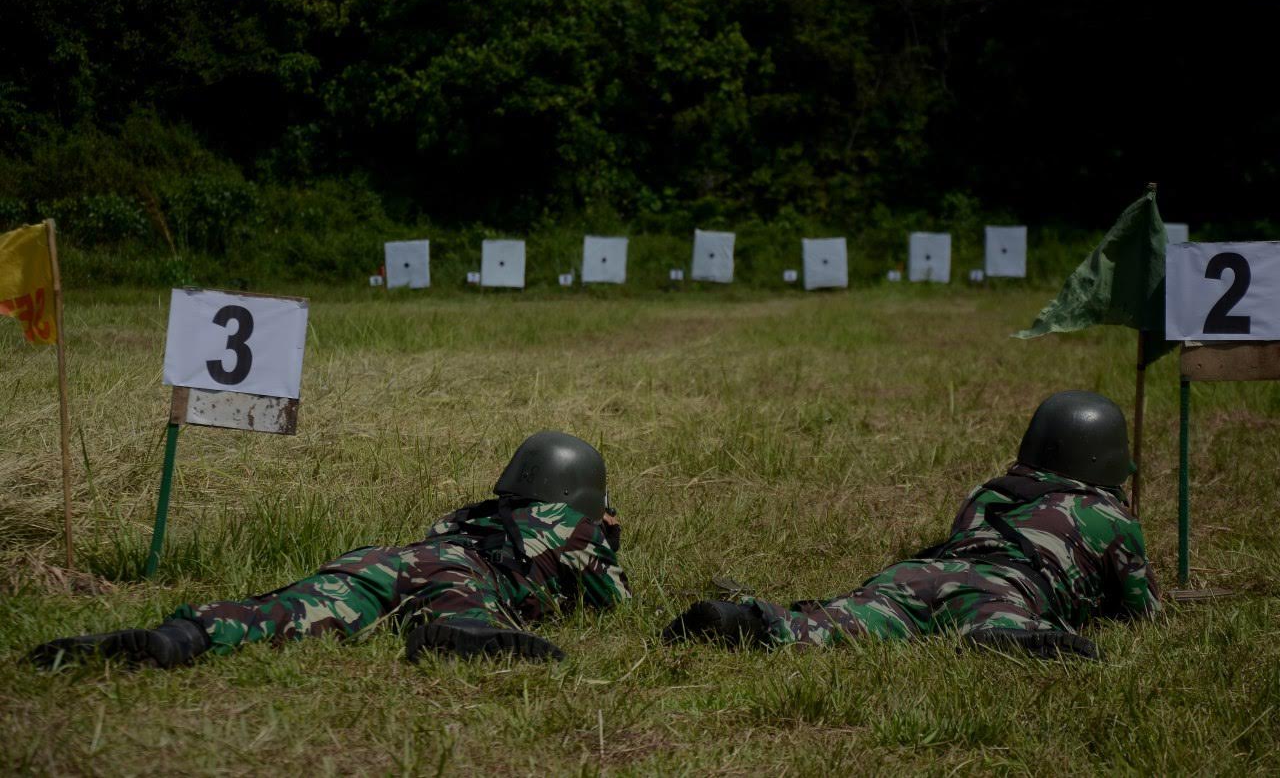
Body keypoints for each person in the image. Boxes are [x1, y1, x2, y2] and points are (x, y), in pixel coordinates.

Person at [30, 431, 629, 669]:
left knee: (292, 608)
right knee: (459, 604)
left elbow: (439, 540)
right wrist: (609, 539)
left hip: (385, 557)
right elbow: (615, 605)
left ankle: (182, 636)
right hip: (461, 574)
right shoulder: (577, 529)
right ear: (580, 490)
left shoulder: (476, 513)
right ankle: (461, 631)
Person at [663, 391, 1160, 659]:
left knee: (843, 622)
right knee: (990, 621)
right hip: (1003, 589)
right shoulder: (1111, 518)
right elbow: (1142, 613)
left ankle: (753, 621)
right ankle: (1011, 636)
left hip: (916, 573)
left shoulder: (991, 490)